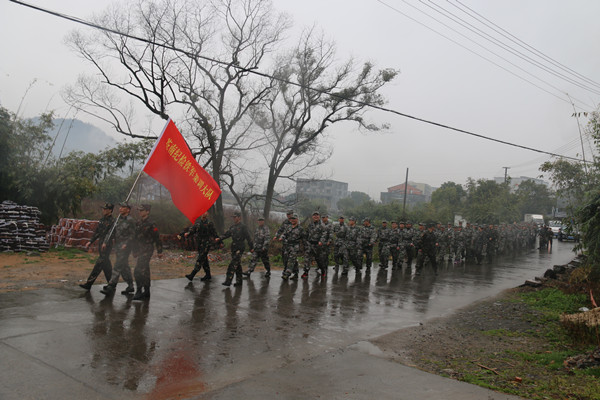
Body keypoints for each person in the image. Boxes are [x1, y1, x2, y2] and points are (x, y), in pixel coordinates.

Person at [100, 202, 136, 296]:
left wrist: (126, 244)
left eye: (123, 207)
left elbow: (133, 235)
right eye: (120, 207)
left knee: (117, 266)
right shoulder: (118, 220)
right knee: (124, 267)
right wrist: (105, 242)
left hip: (125, 247)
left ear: (128, 210)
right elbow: (111, 232)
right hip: (117, 245)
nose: (120, 208)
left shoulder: (130, 221)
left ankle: (111, 286)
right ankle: (130, 286)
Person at [79, 203, 114, 290]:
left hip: (107, 245)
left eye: (106, 209)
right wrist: (90, 241)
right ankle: (112, 284)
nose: (103, 210)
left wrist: (105, 242)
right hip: (101, 244)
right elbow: (97, 232)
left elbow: (110, 234)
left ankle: (89, 283)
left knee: (99, 263)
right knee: (106, 265)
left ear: (110, 210)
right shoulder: (102, 220)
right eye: (103, 209)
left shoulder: (113, 221)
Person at [132, 204, 162, 301]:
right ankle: (147, 291)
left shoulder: (151, 224)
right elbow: (135, 238)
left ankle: (139, 290)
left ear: (147, 212)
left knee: (138, 270)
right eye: (139, 210)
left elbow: (157, 238)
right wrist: (134, 250)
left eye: (142, 210)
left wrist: (159, 251)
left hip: (147, 249)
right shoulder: (138, 222)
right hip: (140, 249)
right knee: (145, 270)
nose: (140, 212)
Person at [217, 212, 253, 287]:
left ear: (239, 217)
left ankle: (228, 280)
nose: (234, 218)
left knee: (233, 264)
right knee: (237, 264)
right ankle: (239, 281)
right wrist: (219, 238)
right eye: (233, 217)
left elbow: (248, 237)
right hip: (234, 246)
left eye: (235, 217)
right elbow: (227, 234)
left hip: (240, 246)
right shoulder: (232, 227)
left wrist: (251, 247)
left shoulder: (243, 226)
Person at [182, 213, 219, 282]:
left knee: (200, 258)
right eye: (203, 212)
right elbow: (193, 230)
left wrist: (218, 239)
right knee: (204, 259)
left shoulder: (209, 223)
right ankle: (208, 275)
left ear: (207, 214)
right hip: (199, 244)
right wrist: (188, 233)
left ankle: (192, 274)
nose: (204, 214)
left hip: (206, 243)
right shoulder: (198, 223)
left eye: (205, 212)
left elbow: (214, 232)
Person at [280, 214, 304, 280]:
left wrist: (305, 248)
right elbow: (284, 234)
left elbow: (304, 238)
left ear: (297, 220)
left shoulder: (300, 229)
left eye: (294, 219)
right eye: (292, 219)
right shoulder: (288, 227)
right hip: (287, 246)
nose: (293, 220)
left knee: (291, 259)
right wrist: (281, 237)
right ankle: (296, 273)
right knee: (287, 259)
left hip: (295, 246)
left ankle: (287, 274)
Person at [303, 211, 326, 279]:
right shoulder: (310, 224)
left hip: (317, 245)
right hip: (309, 244)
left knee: (319, 260)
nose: (315, 216)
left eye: (317, 215)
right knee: (307, 258)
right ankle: (306, 272)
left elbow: (324, 234)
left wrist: (321, 241)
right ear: (312, 217)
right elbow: (306, 233)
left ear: (319, 216)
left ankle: (323, 270)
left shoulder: (322, 225)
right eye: (314, 215)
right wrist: (305, 241)